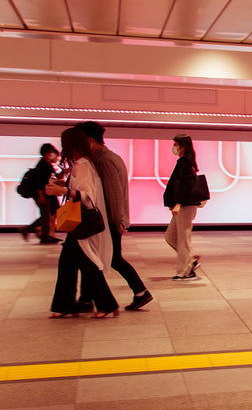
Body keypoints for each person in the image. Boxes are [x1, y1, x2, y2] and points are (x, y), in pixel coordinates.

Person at [77, 121, 152, 311]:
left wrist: (119, 220)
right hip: (109, 219)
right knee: (96, 258)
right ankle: (86, 299)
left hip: (108, 220)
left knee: (110, 259)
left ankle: (141, 291)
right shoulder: (106, 158)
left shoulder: (105, 160)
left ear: (90, 140)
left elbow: (114, 193)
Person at [46, 127, 119, 317]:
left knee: (84, 264)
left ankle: (104, 304)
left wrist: (62, 191)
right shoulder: (83, 164)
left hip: (82, 222)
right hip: (79, 223)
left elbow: (87, 196)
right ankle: (68, 305)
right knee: (69, 263)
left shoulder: (83, 166)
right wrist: (65, 186)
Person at [163, 134, 201, 280]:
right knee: (170, 237)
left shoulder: (185, 162)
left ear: (183, 146)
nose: (174, 147)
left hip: (184, 206)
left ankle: (185, 272)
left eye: (176, 144)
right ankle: (190, 261)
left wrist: (178, 203)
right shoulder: (183, 161)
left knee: (183, 239)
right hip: (182, 206)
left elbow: (186, 185)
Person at [20, 143, 61, 244]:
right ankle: (42, 235)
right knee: (45, 215)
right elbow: (39, 182)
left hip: (46, 193)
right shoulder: (42, 164)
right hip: (42, 194)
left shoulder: (46, 164)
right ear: (47, 153)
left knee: (46, 215)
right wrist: (40, 194)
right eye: (52, 152)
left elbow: (52, 178)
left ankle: (41, 234)